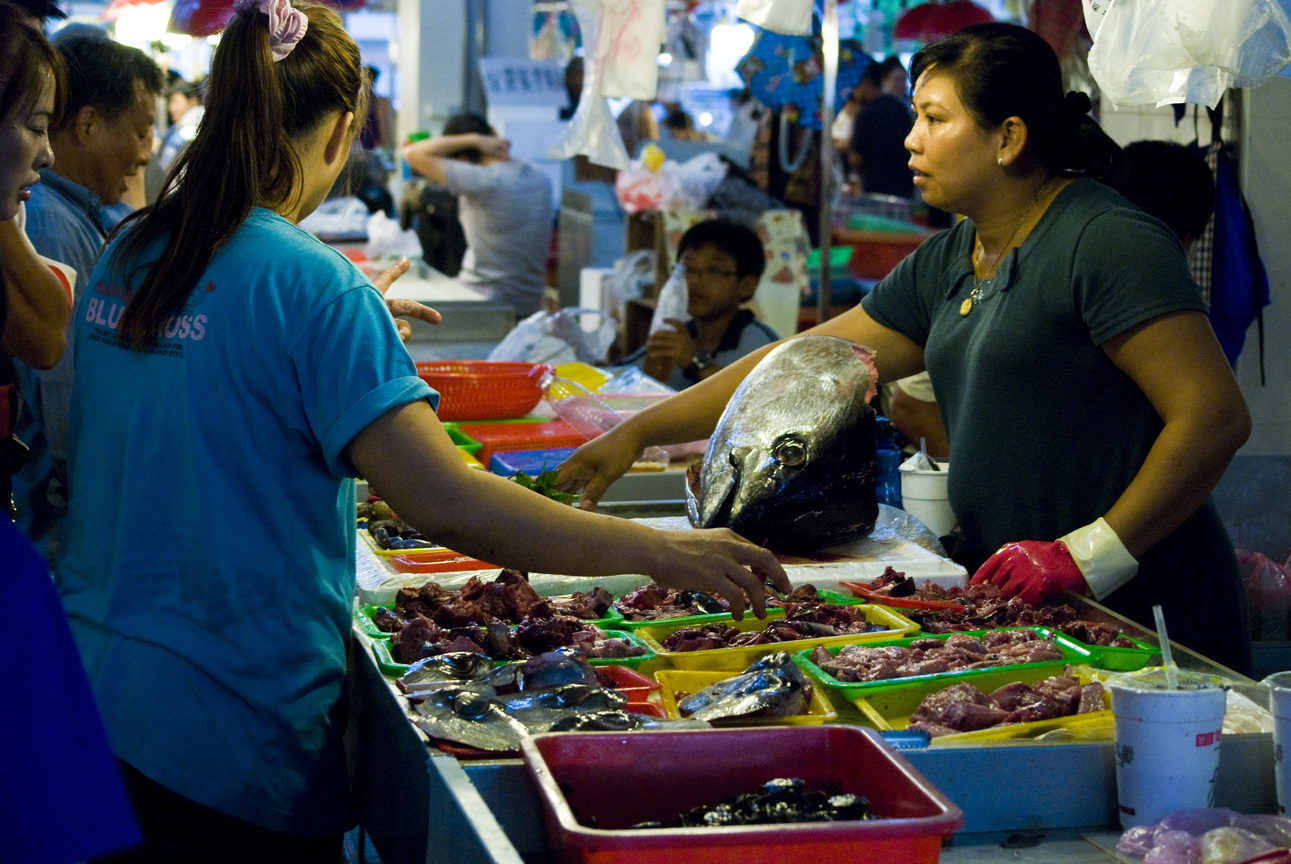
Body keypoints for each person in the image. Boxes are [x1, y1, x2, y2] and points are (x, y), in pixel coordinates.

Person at [57, 1, 787, 859]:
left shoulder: (130, 252)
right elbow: (443, 503)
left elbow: (184, 409)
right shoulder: (313, 287)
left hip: (89, 693)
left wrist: (350, 340)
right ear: (342, 132)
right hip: (228, 722)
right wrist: (660, 549)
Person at [556, 22, 1252, 675]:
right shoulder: (953, 255)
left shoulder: (1104, 241)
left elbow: (1213, 418)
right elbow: (800, 365)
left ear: (1007, 137)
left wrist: (1088, 554)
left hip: (1143, 611)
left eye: (934, 118)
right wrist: (637, 431)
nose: (909, 140)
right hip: (1022, 599)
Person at [14, 34, 161, 566]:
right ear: (88, 125)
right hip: (54, 537)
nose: (146, 154)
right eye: (141, 131)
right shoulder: (48, 222)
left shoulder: (84, 213)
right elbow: (64, 413)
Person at [401, 112, 554, 317]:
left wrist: (475, 140)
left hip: (487, 300)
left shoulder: (484, 180)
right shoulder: (541, 178)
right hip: (530, 302)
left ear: (462, 158)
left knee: (399, 304)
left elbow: (412, 154)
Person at [628, 218, 778, 390]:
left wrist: (695, 362)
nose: (694, 281)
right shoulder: (679, 335)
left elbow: (758, 401)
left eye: (713, 270)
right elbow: (622, 374)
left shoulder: (760, 344)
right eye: (688, 269)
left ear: (746, 285)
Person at [849, 56, 915, 198]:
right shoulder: (905, 111)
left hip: (873, 187)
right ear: (883, 79)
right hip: (903, 187)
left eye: (903, 79)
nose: (901, 84)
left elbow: (856, 157)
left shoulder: (866, 111)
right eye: (897, 79)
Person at [157, 76, 202, 175]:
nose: (171, 108)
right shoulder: (179, 127)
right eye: (170, 102)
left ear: (192, 102)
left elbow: (166, 166)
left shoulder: (192, 127)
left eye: (176, 102)